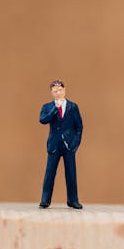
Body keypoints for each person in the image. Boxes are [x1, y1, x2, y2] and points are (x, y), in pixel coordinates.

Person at [38, 79, 83, 209]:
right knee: (50, 172)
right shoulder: (47, 107)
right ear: (52, 93)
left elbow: (79, 127)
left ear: (64, 90)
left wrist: (75, 143)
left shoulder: (73, 107)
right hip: (54, 145)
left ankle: (73, 200)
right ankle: (45, 199)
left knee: (71, 173)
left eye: (60, 90)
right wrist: (54, 109)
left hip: (69, 145)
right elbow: (43, 120)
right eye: (55, 91)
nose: (58, 93)